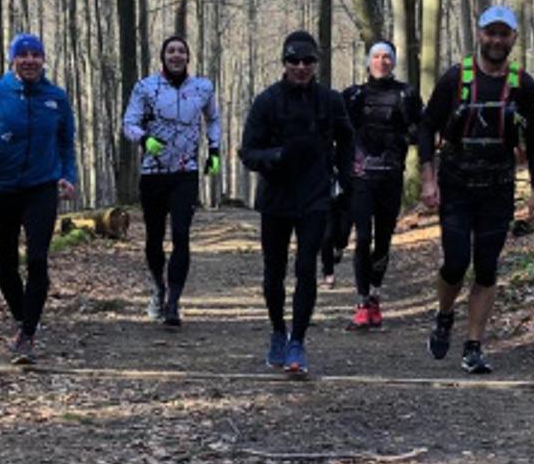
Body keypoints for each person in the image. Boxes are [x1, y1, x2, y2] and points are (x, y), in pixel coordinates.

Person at [418, 6, 534, 374]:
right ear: (479, 34)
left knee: (487, 268)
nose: (496, 40)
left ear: (513, 39)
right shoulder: (456, 78)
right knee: (456, 261)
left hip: (498, 186)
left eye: (503, 34)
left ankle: (473, 345)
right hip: (456, 184)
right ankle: (444, 315)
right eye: (491, 33)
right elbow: (426, 127)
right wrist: (428, 178)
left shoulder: (524, 85)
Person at [0, 33, 80, 364]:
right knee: (6, 265)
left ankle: (27, 333)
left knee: (37, 259)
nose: (29, 60)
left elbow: (67, 144)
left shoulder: (56, 98)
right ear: (13, 60)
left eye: (35, 55)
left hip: (41, 187)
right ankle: (23, 319)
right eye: (22, 55)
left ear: (43, 60)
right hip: (2, 188)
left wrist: (68, 176)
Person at [239, 31, 353, 378]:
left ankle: (298, 342)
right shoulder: (267, 101)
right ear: (284, 64)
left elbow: (348, 141)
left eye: (307, 61)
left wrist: (347, 180)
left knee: (307, 267)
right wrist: (277, 156)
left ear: (316, 64)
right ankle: (278, 330)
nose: (301, 67)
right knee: (274, 272)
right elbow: (247, 152)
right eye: (294, 61)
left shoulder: (330, 101)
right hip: (276, 197)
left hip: (315, 196)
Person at [121, 35, 222, 327]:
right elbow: (129, 122)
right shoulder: (145, 87)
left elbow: (213, 119)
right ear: (163, 56)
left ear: (188, 57)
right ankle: (158, 288)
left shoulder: (202, 88)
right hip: (153, 172)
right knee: (154, 238)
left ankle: (174, 302)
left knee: (181, 235)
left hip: (185, 172)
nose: (176, 56)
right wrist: (144, 139)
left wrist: (214, 150)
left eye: (181, 51)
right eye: (171, 51)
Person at [341, 40, 423, 330]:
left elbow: (421, 130)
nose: (381, 61)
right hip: (361, 179)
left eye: (387, 57)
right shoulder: (352, 96)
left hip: (391, 177)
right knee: (362, 238)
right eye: (376, 56)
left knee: (384, 239)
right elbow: (336, 132)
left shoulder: (406, 93)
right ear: (368, 61)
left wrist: (405, 137)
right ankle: (362, 301)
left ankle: (375, 295)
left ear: (394, 61)